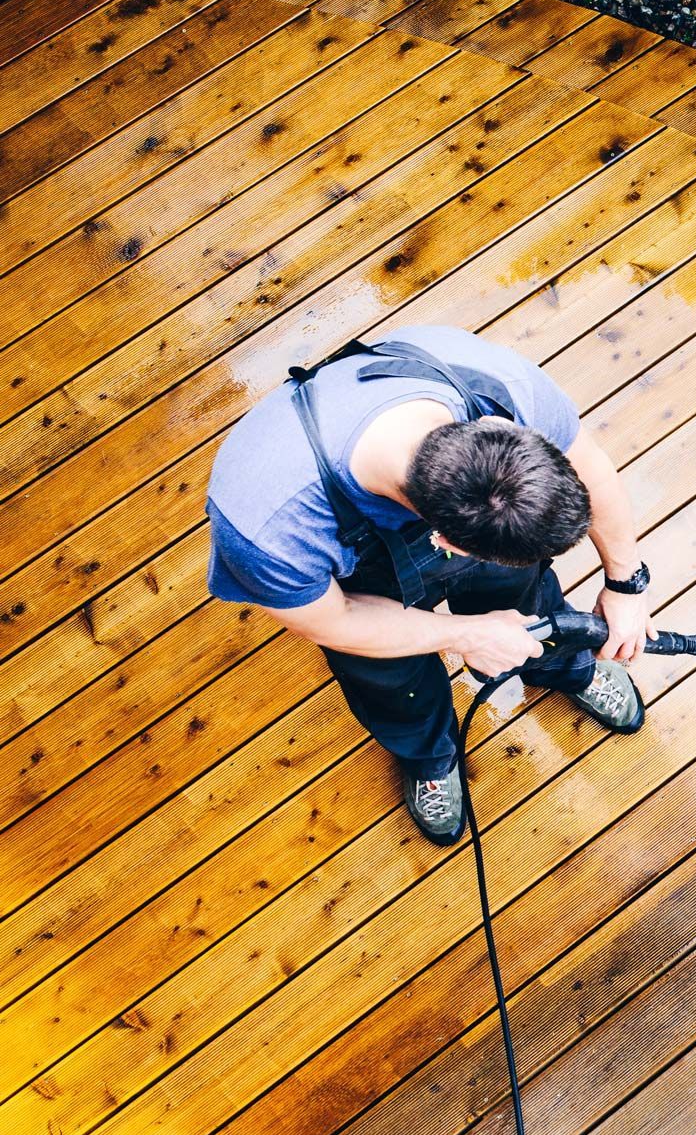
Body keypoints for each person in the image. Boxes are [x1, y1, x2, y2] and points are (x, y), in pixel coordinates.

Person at [204, 325, 655, 846]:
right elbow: (334, 621)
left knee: (528, 598)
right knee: (391, 678)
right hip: (356, 591)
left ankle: (563, 664)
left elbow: (590, 468)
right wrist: (465, 636)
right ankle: (430, 754)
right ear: (448, 543)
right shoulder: (267, 524)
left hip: (457, 532)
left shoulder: (498, 387)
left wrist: (627, 583)